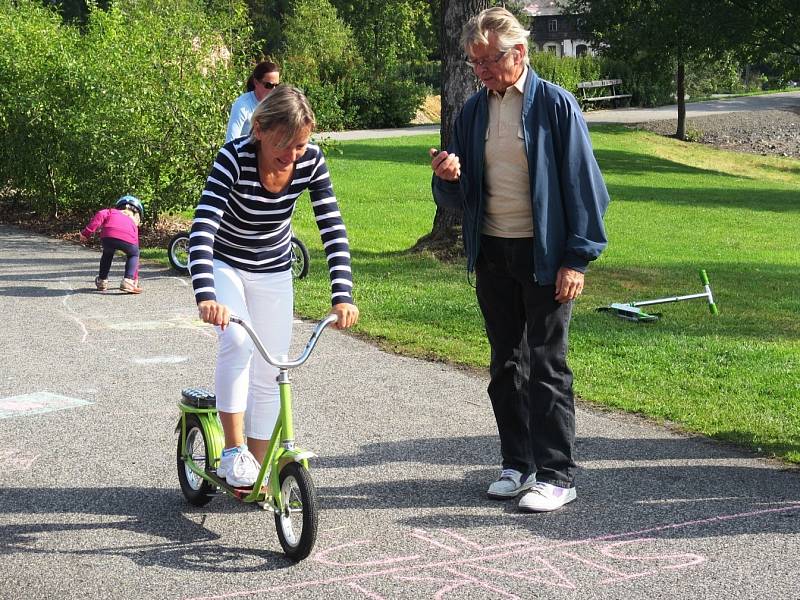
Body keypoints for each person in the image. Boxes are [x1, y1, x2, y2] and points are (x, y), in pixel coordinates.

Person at [430, 7, 609, 513]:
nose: (482, 71)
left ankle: (556, 474)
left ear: (520, 53)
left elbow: (585, 188)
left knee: (547, 363)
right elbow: (458, 198)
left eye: (490, 60)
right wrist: (445, 177)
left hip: (546, 254)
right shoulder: (472, 112)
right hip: (493, 251)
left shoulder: (556, 105)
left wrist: (577, 259)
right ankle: (517, 463)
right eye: (475, 63)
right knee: (506, 364)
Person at [189, 85, 359, 488]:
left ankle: (256, 467)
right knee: (239, 342)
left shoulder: (311, 161)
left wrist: (342, 294)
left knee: (274, 366)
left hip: (272, 267)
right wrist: (207, 294)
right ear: (260, 129)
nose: (293, 155)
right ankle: (233, 453)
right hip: (225, 261)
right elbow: (202, 228)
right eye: (285, 144)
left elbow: (332, 228)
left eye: (300, 144)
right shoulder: (233, 158)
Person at [80, 195, 145, 294]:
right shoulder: (133, 224)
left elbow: (100, 215)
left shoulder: (111, 211)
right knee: (134, 254)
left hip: (108, 237)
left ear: (118, 207)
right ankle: (128, 281)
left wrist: (86, 233)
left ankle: (102, 281)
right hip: (127, 239)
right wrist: (135, 279)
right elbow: (135, 245)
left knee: (107, 254)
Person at [224, 60, 280, 143]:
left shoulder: (278, 105)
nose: (273, 90)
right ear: (256, 83)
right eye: (269, 85)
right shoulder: (242, 105)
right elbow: (230, 142)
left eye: (277, 85)